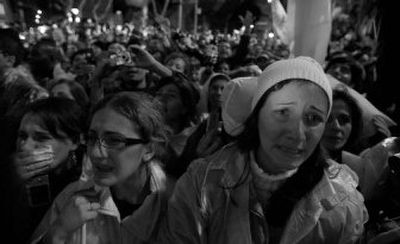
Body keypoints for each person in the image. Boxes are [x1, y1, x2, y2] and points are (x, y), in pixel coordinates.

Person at [157, 56, 368, 243]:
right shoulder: (202, 183)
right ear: (257, 116)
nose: (297, 133)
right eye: (283, 112)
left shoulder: (341, 201)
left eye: (313, 118)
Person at [31, 92, 174, 243]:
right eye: (92, 138)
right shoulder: (71, 198)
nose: (95, 153)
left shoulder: (178, 200)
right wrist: (59, 231)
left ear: (149, 149)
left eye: (114, 140)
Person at [6, 97, 85, 244]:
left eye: (41, 138)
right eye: (22, 136)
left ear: (74, 141)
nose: (25, 146)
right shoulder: (16, 175)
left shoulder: (86, 186)